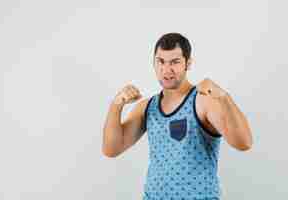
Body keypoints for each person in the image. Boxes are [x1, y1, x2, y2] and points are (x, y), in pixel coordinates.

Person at [102, 32, 253, 200]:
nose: (167, 70)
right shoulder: (147, 107)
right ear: (153, 63)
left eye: (175, 62)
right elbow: (111, 149)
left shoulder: (203, 101)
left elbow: (244, 143)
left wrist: (224, 98)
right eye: (161, 61)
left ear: (188, 64)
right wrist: (117, 104)